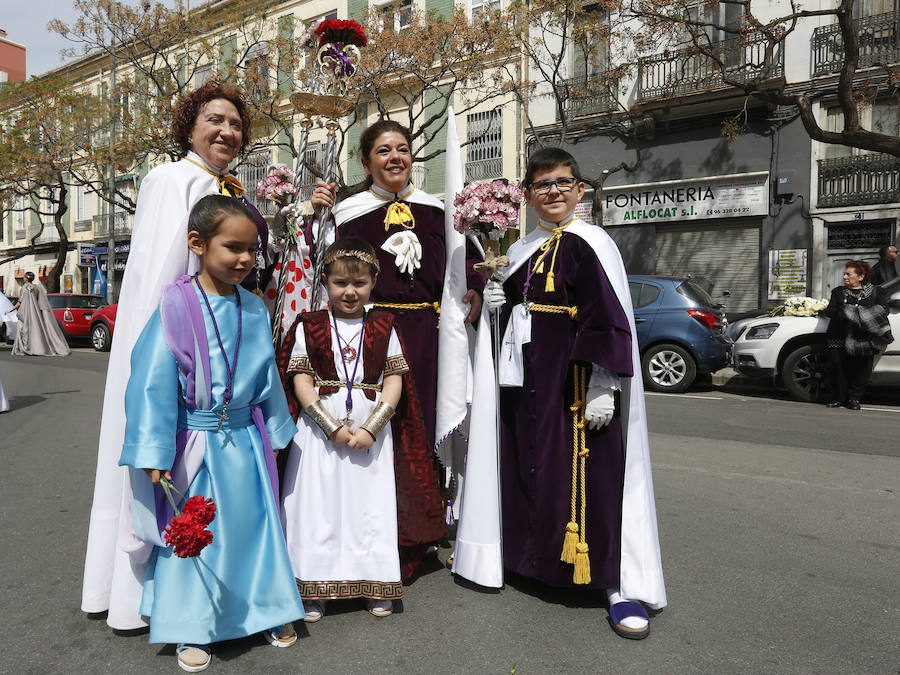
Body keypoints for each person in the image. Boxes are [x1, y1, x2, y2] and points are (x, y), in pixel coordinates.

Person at [82, 80, 273, 630]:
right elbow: (161, 272)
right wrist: (172, 352)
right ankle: (149, 594)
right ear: (189, 127)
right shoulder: (171, 179)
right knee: (173, 466)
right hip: (189, 340)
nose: (227, 131)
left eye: (236, 124)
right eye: (215, 120)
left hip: (229, 334)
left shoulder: (227, 186)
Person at [482, 147, 666, 639]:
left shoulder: (593, 242)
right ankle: (531, 562)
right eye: (542, 185)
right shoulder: (521, 248)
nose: (554, 192)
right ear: (527, 194)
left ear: (580, 189)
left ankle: (614, 582)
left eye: (563, 182)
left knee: (593, 478)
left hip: (578, 385)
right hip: (526, 390)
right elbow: (509, 324)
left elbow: (608, 316)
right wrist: (493, 304)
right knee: (529, 470)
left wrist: (607, 382)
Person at [119, 195, 303, 672]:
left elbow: (267, 378)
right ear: (198, 244)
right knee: (200, 532)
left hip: (244, 439)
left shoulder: (255, 308)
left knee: (253, 528)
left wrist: (279, 432)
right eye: (233, 247)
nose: (245, 259)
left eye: (252, 250)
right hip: (196, 447)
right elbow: (151, 381)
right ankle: (192, 624)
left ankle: (266, 608)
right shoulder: (175, 306)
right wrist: (155, 449)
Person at [281, 238, 446, 621]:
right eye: (340, 283)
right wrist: (329, 426)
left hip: (372, 434)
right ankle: (312, 586)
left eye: (359, 283)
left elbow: (395, 382)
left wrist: (372, 427)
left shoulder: (384, 324)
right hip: (320, 434)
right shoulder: (310, 324)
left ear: (374, 281)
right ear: (324, 280)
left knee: (368, 509)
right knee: (316, 507)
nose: (349, 292)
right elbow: (301, 380)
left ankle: (373, 581)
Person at [306, 120, 485, 451]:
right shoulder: (345, 215)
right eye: (384, 151)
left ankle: (427, 498)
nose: (395, 157)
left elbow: (467, 259)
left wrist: (475, 285)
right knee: (376, 423)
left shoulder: (436, 211)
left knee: (426, 420)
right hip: (372, 334)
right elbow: (317, 262)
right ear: (365, 163)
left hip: (428, 336)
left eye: (403, 150)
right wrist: (317, 218)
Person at [824, 260, 893, 411]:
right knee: (839, 367)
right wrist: (846, 312)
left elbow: (883, 310)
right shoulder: (838, 292)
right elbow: (830, 311)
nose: (845, 277)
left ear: (861, 276)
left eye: (849, 274)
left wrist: (859, 314)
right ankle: (839, 398)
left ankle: (854, 399)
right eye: (844, 274)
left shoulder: (876, 292)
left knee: (862, 369)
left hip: (864, 337)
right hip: (839, 335)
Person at [5, 272, 70, 356]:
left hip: (26, 313)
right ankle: (38, 347)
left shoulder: (24, 288)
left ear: (26, 278)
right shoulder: (37, 288)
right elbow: (40, 302)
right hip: (36, 313)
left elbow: (20, 302)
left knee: (24, 329)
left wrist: (11, 310)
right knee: (36, 330)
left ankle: (26, 347)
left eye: (24, 277)